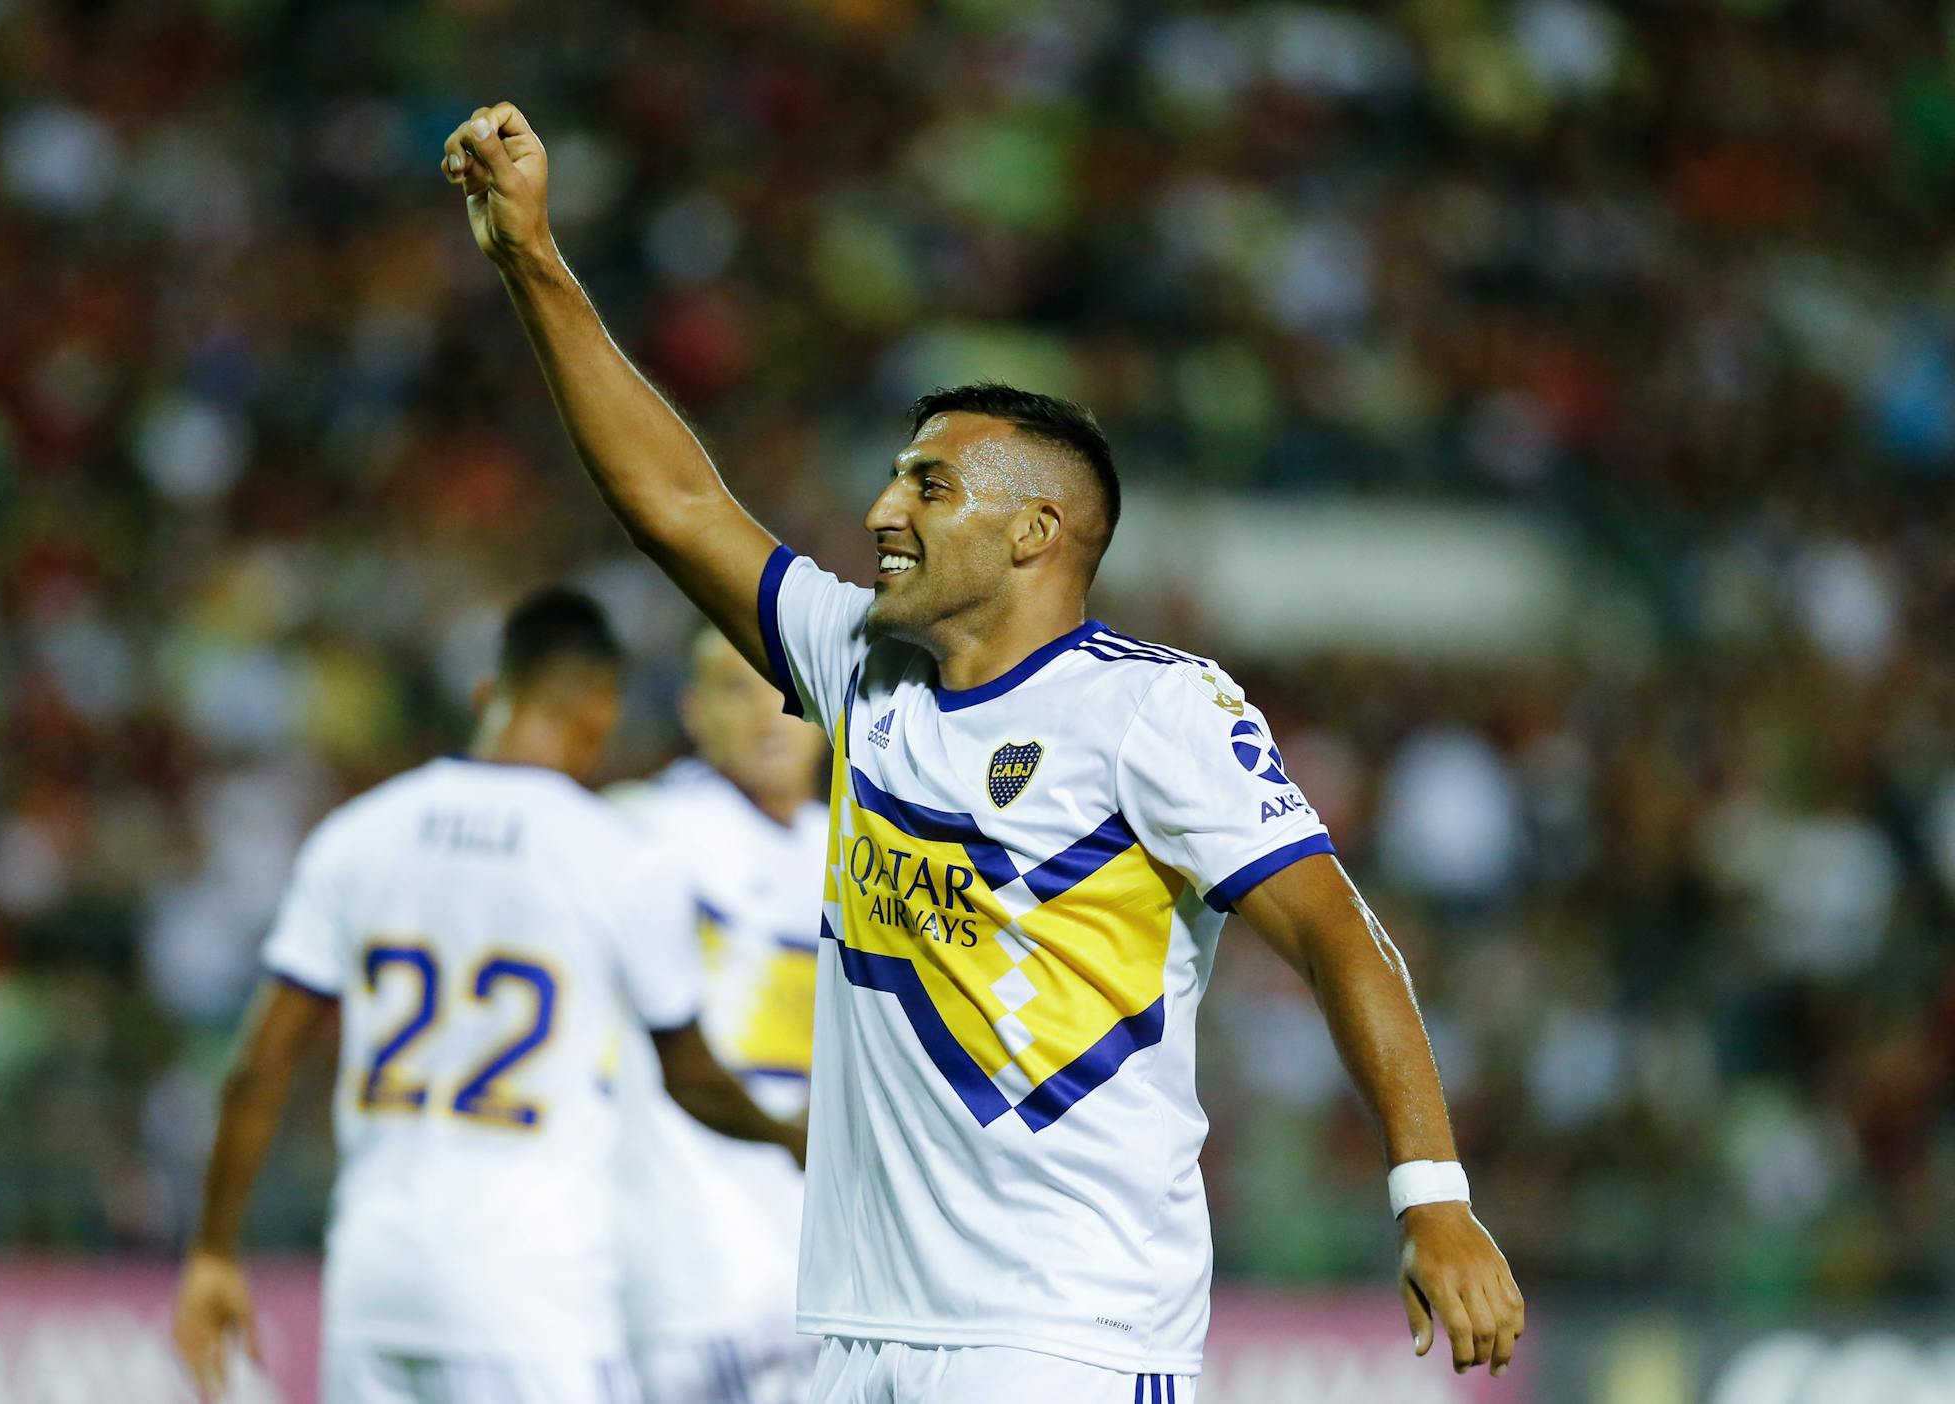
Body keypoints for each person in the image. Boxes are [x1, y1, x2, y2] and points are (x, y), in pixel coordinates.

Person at [441, 106, 1525, 1402]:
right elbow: (674, 503)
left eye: (928, 487)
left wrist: (1433, 1197)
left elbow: (1339, 934)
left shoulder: (1155, 714)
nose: (880, 511)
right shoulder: (862, 672)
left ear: (1035, 534)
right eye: (895, 479)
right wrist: (532, 260)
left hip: (1060, 1339)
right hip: (851, 1337)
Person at [171, 589, 805, 1404]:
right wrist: (791, 1138)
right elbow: (693, 1077)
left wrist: (215, 1250)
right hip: (532, 1288)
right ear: (602, 709)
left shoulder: (357, 834)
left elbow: (257, 1066)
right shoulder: (613, 854)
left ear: (486, 694)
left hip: (374, 1281)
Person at [611, 626, 830, 1404]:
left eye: (789, 693)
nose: (770, 716)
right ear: (693, 711)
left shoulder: (855, 856)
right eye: (737, 690)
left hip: (820, 1263)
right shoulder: (647, 830)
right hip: (687, 1264)